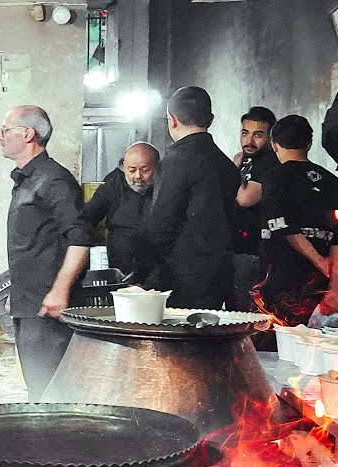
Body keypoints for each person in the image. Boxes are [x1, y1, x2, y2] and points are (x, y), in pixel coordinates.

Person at [0, 105, 93, 401]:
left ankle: (56, 445)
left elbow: (80, 239)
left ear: (28, 134)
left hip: (49, 310)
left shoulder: (54, 181)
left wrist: (60, 291)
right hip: (29, 304)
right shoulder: (27, 180)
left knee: (49, 390)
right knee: (37, 388)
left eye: (5, 130)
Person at [142, 86, 239, 310]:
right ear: (211, 119)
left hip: (182, 277)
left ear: (172, 120)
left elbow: (161, 223)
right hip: (220, 274)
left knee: (181, 342)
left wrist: (141, 271)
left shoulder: (176, 160)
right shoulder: (226, 165)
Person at [255, 115, 338, 329]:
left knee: (277, 340)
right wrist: (334, 285)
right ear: (309, 144)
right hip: (319, 284)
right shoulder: (331, 181)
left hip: (282, 277)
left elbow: (284, 227)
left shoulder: (275, 177)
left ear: (274, 145)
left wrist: (319, 261)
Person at [78, 142, 160, 279]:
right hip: (121, 272)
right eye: (131, 170)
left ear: (157, 167)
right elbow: (86, 218)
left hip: (160, 271)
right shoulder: (113, 186)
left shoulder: (168, 187)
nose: (138, 176)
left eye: (145, 170)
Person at [230, 107, 280, 312]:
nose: (249, 140)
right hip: (241, 249)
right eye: (245, 133)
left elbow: (244, 199)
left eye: (258, 134)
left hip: (255, 252)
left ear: (270, 137)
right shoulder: (249, 162)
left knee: (246, 314)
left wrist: (233, 170)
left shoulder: (268, 163)